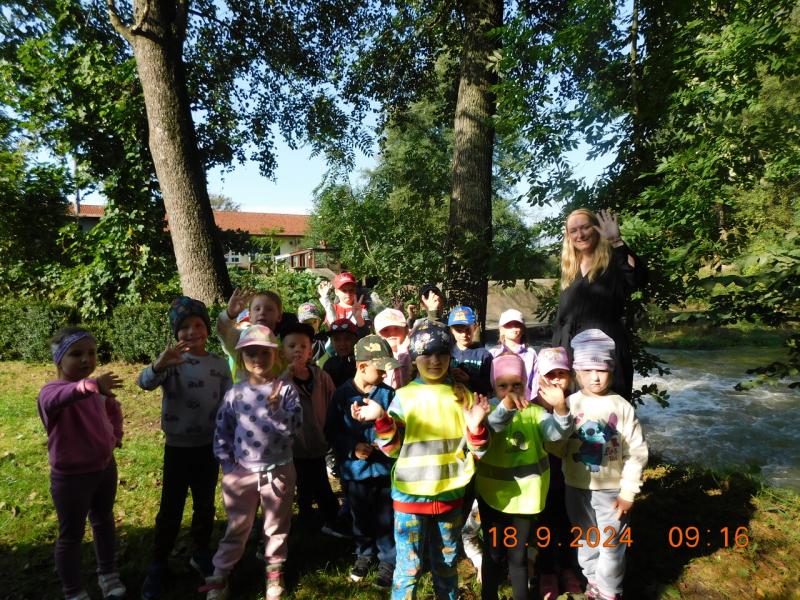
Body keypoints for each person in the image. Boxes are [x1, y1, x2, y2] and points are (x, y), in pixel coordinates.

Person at [352, 321, 491, 600]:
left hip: (450, 495)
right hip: (410, 498)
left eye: (442, 354)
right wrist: (381, 419)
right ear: (414, 359)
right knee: (409, 569)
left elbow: (479, 451)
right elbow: (391, 449)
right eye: (426, 354)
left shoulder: (462, 395)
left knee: (447, 565)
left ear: (450, 356)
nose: (435, 361)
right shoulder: (403, 397)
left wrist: (477, 428)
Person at [137, 297, 233, 598]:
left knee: (204, 504)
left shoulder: (218, 364)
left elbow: (229, 402)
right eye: (185, 327)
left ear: (207, 329)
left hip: (208, 447)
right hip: (177, 448)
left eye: (198, 325)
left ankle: (201, 552)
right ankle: (159, 562)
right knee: (171, 507)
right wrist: (158, 365)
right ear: (176, 333)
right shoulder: (171, 362)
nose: (192, 332)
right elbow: (144, 383)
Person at [201, 325, 302, 600]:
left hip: (279, 471)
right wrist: (228, 467)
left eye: (264, 352)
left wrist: (277, 411)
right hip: (242, 473)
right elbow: (222, 431)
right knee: (237, 526)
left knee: (276, 526)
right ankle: (221, 574)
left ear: (275, 355)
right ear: (241, 357)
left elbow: (295, 427)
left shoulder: (286, 390)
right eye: (250, 353)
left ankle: (274, 571)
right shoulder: (235, 393)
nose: (258, 358)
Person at [37, 327, 126, 600]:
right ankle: (74, 590)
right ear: (59, 360)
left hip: (104, 468)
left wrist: (115, 435)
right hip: (72, 478)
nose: (86, 359)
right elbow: (62, 397)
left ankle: (107, 573)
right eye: (76, 354)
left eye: (91, 352)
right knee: (71, 535)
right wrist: (89, 386)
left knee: (103, 520)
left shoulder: (96, 388)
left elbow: (112, 409)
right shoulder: (50, 392)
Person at [475, 353, 573, 600]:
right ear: (494, 387)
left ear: (526, 384)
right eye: (503, 386)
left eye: (516, 385)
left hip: (526, 500)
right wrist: (506, 407)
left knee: (517, 556)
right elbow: (492, 428)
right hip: (493, 497)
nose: (510, 391)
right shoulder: (488, 410)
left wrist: (561, 409)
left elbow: (555, 435)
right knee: (493, 553)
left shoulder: (535, 412)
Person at [563, 329, 648, 600]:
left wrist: (628, 491)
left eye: (601, 369)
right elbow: (555, 448)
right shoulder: (568, 404)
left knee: (611, 543)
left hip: (612, 491)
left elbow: (636, 452)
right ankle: (593, 581)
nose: (595, 377)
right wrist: (557, 418)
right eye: (587, 370)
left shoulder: (621, 407)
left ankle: (610, 592)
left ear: (611, 371)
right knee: (586, 538)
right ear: (577, 372)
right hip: (576, 487)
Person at [325, 335, 399, 590]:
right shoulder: (342, 395)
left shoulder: (388, 394)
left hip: (384, 470)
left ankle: (388, 559)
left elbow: (398, 425)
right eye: (380, 369)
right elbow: (331, 431)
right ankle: (364, 553)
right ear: (362, 366)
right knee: (360, 515)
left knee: (386, 515)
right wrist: (352, 448)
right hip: (355, 472)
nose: (384, 375)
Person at [552, 208, 647, 400]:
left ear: (597, 229)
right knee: (572, 412)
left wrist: (617, 242)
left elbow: (638, 277)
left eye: (585, 227)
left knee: (609, 413)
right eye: (573, 230)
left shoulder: (614, 261)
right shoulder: (570, 270)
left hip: (604, 357)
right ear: (568, 236)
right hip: (571, 355)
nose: (580, 235)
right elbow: (562, 319)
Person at [279, 322, 344, 537]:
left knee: (319, 480)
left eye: (303, 346)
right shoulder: (279, 379)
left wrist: (332, 430)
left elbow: (333, 402)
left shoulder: (320, 376)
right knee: (300, 481)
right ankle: (305, 515)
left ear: (310, 351)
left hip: (318, 441)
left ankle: (331, 517)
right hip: (293, 446)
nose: (298, 350)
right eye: (292, 346)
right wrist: (285, 377)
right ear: (282, 350)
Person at [530, 347, 582, 599]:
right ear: (539, 377)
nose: (556, 380)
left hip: (572, 479)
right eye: (550, 375)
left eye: (561, 374)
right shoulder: (530, 407)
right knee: (545, 527)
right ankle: (547, 570)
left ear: (570, 376)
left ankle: (568, 568)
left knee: (569, 524)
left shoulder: (579, 404)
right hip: (542, 482)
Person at [217, 288, 288, 381]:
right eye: (257, 309)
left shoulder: (285, 344)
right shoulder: (239, 339)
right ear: (250, 316)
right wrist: (230, 314)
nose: (262, 312)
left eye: (269, 309)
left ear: (279, 316)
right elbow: (223, 332)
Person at [490, 309, 537, 399]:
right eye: (509, 325)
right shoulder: (493, 353)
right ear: (501, 329)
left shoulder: (531, 353)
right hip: (500, 401)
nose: (514, 327)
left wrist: (533, 402)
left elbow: (535, 382)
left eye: (517, 324)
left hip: (526, 402)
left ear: (523, 329)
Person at [448, 305, 493, 396]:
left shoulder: (484, 355)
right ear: (452, 330)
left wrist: (469, 379)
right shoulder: (447, 353)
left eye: (468, 330)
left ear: (475, 328)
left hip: (475, 401)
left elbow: (491, 385)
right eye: (459, 330)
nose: (464, 334)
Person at [318, 272, 370, 337]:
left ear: (355, 291)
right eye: (344, 290)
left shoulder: (360, 308)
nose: (348, 293)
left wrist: (358, 317)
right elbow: (330, 330)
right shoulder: (332, 308)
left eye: (351, 290)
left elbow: (366, 334)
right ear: (336, 292)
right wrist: (326, 301)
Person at [373, 307, 412, 389]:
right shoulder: (376, 360)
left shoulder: (416, 354)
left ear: (406, 330)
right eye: (385, 330)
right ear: (377, 334)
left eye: (396, 328)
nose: (392, 333)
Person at [322, 318, 358, 388]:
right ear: (331, 342)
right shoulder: (329, 365)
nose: (342, 343)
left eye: (347, 338)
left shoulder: (361, 363)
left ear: (355, 340)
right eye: (337, 339)